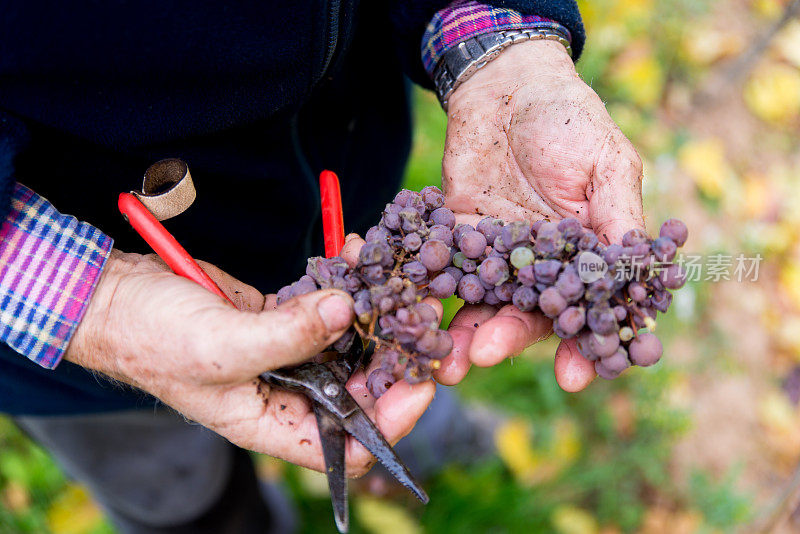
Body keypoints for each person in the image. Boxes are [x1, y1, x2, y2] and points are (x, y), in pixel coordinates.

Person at [0, 1, 646, 531]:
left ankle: (434, 440)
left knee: (399, 368)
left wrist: (503, 47)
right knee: (174, 492)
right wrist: (92, 304)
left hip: (345, 188)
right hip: (68, 347)